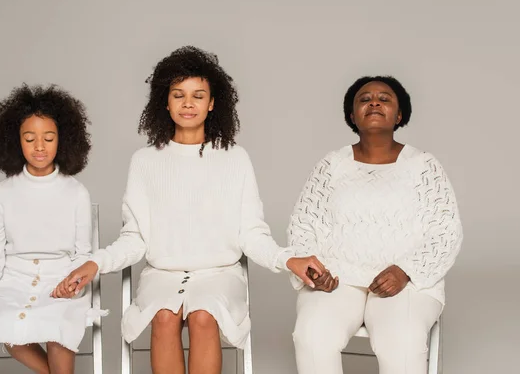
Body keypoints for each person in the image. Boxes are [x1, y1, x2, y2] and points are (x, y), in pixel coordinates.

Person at [56, 46, 321, 374]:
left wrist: (287, 259)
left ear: (212, 103)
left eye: (198, 95)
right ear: (165, 102)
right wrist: (94, 264)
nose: (188, 103)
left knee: (203, 315)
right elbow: (135, 238)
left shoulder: (235, 159)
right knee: (164, 317)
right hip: (162, 275)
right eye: (178, 95)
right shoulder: (145, 161)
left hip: (220, 274)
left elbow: (252, 234)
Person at [289, 76, 463, 374]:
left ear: (399, 115)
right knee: (312, 335)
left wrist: (405, 270)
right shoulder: (331, 165)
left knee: (401, 340)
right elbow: (304, 224)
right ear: (352, 115)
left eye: (384, 98)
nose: (374, 102)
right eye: (364, 99)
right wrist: (316, 272)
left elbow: (445, 231)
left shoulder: (423, 166)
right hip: (338, 278)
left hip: (403, 281)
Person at [0, 84, 106, 374]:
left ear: (62, 141)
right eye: (30, 138)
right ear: (16, 142)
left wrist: (72, 282)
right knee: (5, 324)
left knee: (58, 324)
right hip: (12, 282)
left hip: (61, 281)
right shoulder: (3, 192)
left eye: (48, 138)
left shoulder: (76, 192)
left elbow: (82, 254)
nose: (40, 146)